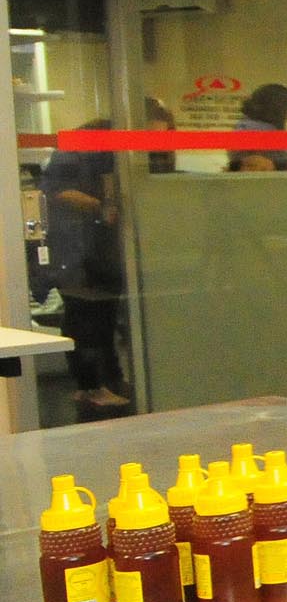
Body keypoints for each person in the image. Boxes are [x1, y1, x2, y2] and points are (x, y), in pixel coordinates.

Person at [39, 98, 172, 411]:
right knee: (87, 317)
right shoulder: (83, 147)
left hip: (105, 249)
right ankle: (91, 384)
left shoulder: (114, 149)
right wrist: (104, 207)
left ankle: (108, 380)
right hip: (79, 248)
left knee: (106, 315)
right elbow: (58, 192)